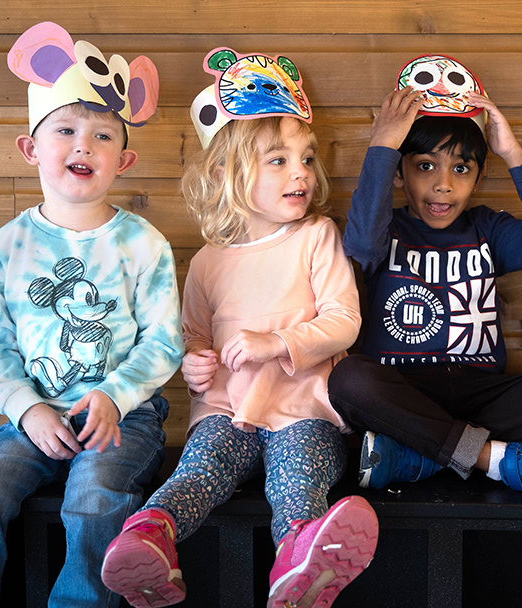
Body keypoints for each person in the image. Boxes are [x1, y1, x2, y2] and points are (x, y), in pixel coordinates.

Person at [101, 49, 378, 608]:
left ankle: (299, 559)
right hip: (228, 412)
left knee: (298, 475)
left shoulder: (317, 236)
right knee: (200, 467)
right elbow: (194, 340)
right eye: (278, 159)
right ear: (227, 173)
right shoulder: (207, 261)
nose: (300, 172)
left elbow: (345, 321)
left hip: (306, 409)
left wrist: (275, 343)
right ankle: (150, 536)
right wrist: (195, 364)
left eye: (306, 157)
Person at [328, 54, 522, 496]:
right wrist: (381, 147)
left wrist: (512, 152)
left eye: (461, 168)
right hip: (405, 390)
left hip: (481, 392)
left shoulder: (487, 229)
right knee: (348, 379)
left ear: (477, 176)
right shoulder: (386, 230)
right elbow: (359, 247)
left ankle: (418, 455)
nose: (443, 185)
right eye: (424, 166)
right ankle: (492, 459)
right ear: (399, 173)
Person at [0, 21, 182, 607]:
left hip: (124, 417)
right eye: (65, 130)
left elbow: (164, 340)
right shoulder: (5, 247)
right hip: (31, 415)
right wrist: (26, 409)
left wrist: (115, 396)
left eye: (102, 136)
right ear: (30, 148)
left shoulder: (143, 244)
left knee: (92, 500)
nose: (83, 145)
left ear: (125, 159)